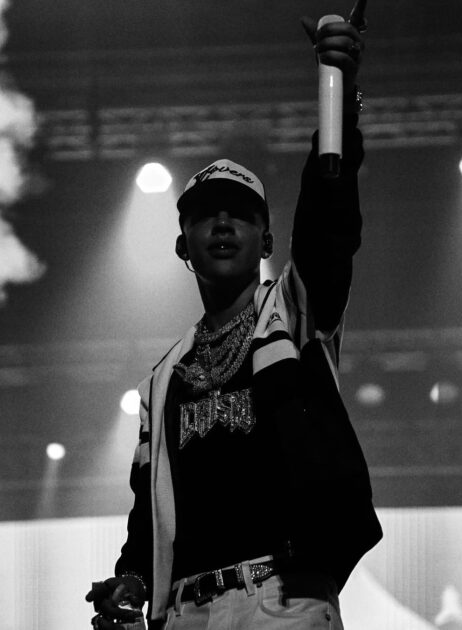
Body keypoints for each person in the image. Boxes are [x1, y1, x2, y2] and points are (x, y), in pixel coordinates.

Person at [86, 7, 382, 630]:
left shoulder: (296, 315)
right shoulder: (162, 380)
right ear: (182, 245)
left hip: (282, 600)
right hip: (185, 612)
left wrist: (339, 96)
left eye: (241, 214)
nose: (223, 223)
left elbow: (329, 223)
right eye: (206, 215)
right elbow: (150, 513)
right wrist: (130, 581)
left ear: (267, 239)